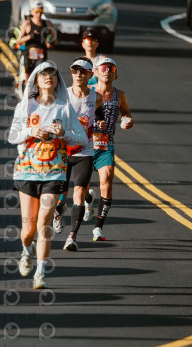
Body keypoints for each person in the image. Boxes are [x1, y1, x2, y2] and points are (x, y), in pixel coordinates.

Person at [8, 61, 86, 289]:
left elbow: (82, 138)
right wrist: (31, 131)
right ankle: (27, 250)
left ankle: (40, 273)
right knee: (28, 230)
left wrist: (65, 134)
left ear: (57, 80)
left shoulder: (64, 107)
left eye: (52, 74)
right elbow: (12, 136)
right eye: (43, 74)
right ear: (36, 80)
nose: (48, 77)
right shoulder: (25, 106)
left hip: (54, 173)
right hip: (27, 171)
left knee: (44, 223)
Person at [53, 57, 105, 251]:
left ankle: (72, 237)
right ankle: (58, 213)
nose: (78, 74)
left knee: (79, 192)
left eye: (82, 72)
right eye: (75, 71)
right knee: (60, 194)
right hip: (64, 151)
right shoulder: (64, 96)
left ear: (90, 74)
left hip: (85, 151)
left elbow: (98, 113)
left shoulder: (96, 97)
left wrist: (100, 122)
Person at [90, 57, 133, 242]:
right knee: (81, 187)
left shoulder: (120, 95)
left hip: (106, 144)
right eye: (104, 68)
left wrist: (127, 120)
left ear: (115, 74)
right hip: (85, 143)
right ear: (96, 72)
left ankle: (98, 228)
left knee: (106, 181)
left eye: (111, 68)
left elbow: (126, 112)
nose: (107, 71)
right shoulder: (88, 91)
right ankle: (87, 201)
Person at [14, 1, 57, 85]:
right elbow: (18, 42)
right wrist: (30, 36)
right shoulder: (27, 23)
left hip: (41, 54)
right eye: (36, 11)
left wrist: (50, 42)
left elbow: (55, 40)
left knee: (40, 77)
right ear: (31, 11)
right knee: (28, 80)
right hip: (28, 54)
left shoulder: (48, 23)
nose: (39, 14)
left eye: (41, 11)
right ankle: (26, 91)